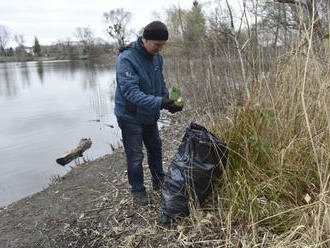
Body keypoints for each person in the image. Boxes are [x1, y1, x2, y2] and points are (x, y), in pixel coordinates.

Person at [114, 21, 183, 205]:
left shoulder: (157, 57)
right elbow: (131, 93)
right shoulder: (126, 58)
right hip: (130, 115)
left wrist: (169, 101)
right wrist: (160, 102)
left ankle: (159, 181)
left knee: (155, 147)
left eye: (163, 45)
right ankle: (138, 190)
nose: (160, 49)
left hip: (149, 114)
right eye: (157, 45)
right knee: (135, 154)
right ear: (144, 39)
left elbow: (159, 82)